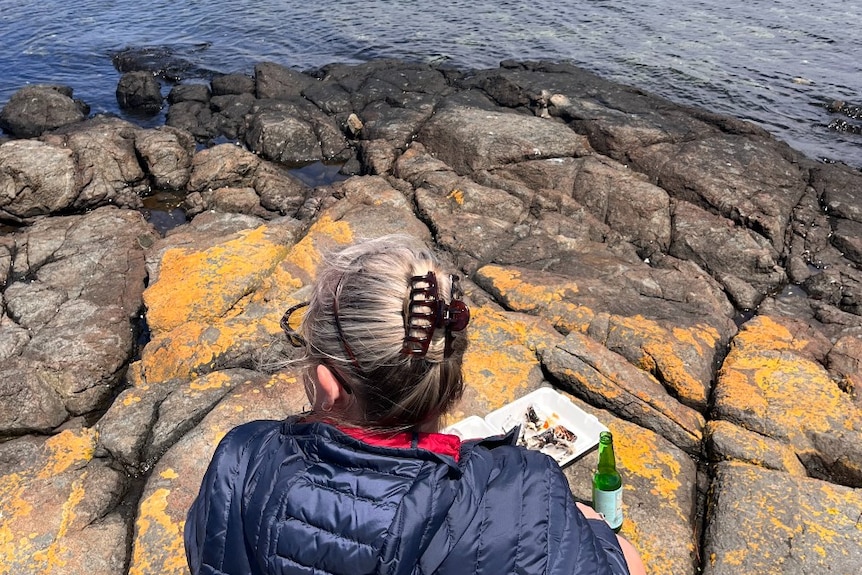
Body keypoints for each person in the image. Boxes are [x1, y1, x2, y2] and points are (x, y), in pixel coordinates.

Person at [184, 235, 647, 575]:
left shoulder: (241, 458)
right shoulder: (526, 490)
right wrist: (587, 522)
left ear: (328, 385)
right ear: (450, 377)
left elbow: (203, 545)